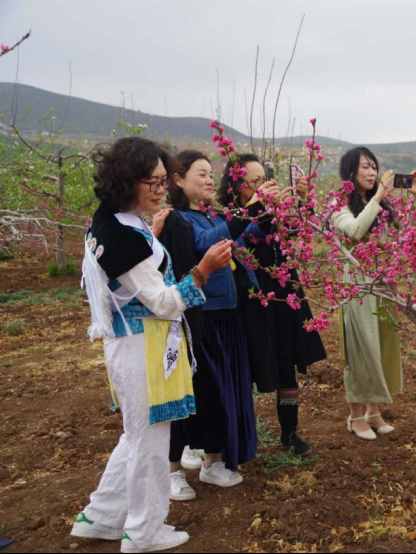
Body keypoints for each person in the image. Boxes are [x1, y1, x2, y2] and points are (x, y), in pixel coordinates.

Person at [70, 137, 231, 552]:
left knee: (136, 435)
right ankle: (144, 530)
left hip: (131, 344)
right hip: (145, 348)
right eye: (154, 181)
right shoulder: (126, 238)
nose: (162, 189)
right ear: (128, 180)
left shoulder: (112, 221)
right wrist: (201, 273)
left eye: (165, 180)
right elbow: (161, 301)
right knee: (151, 443)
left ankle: (102, 517)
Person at [165, 150, 262, 490]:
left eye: (211, 174)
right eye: (201, 174)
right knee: (191, 394)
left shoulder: (210, 215)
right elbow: (206, 245)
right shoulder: (177, 220)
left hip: (225, 314)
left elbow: (233, 236)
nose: (209, 180)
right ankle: (173, 469)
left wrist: (259, 210)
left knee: (218, 393)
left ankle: (214, 459)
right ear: (178, 180)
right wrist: (251, 210)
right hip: (198, 317)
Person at [218, 153, 327, 456]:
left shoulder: (272, 210)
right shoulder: (232, 217)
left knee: (287, 364)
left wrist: (304, 202)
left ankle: (289, 433)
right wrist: (259, 207)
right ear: (237, 185)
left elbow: (295, 230)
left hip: (283, 295)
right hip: (254, 299)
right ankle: (240, 433)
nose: (260, 186)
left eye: (263, 179)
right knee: (253, 365)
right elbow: (247, 235)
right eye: (253, 181)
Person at [331, 147, 406, 440]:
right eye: (365, 167)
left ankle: (374, 412)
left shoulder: (382, 206)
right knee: (362, 350)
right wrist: (378, 198)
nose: (372, 172)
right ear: (350, 171)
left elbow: (403, 236)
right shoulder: (339, 204)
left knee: (383, 347)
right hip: (358, 286)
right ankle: (355, 416)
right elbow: (354, 231)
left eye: (374, 167)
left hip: (384, 283)